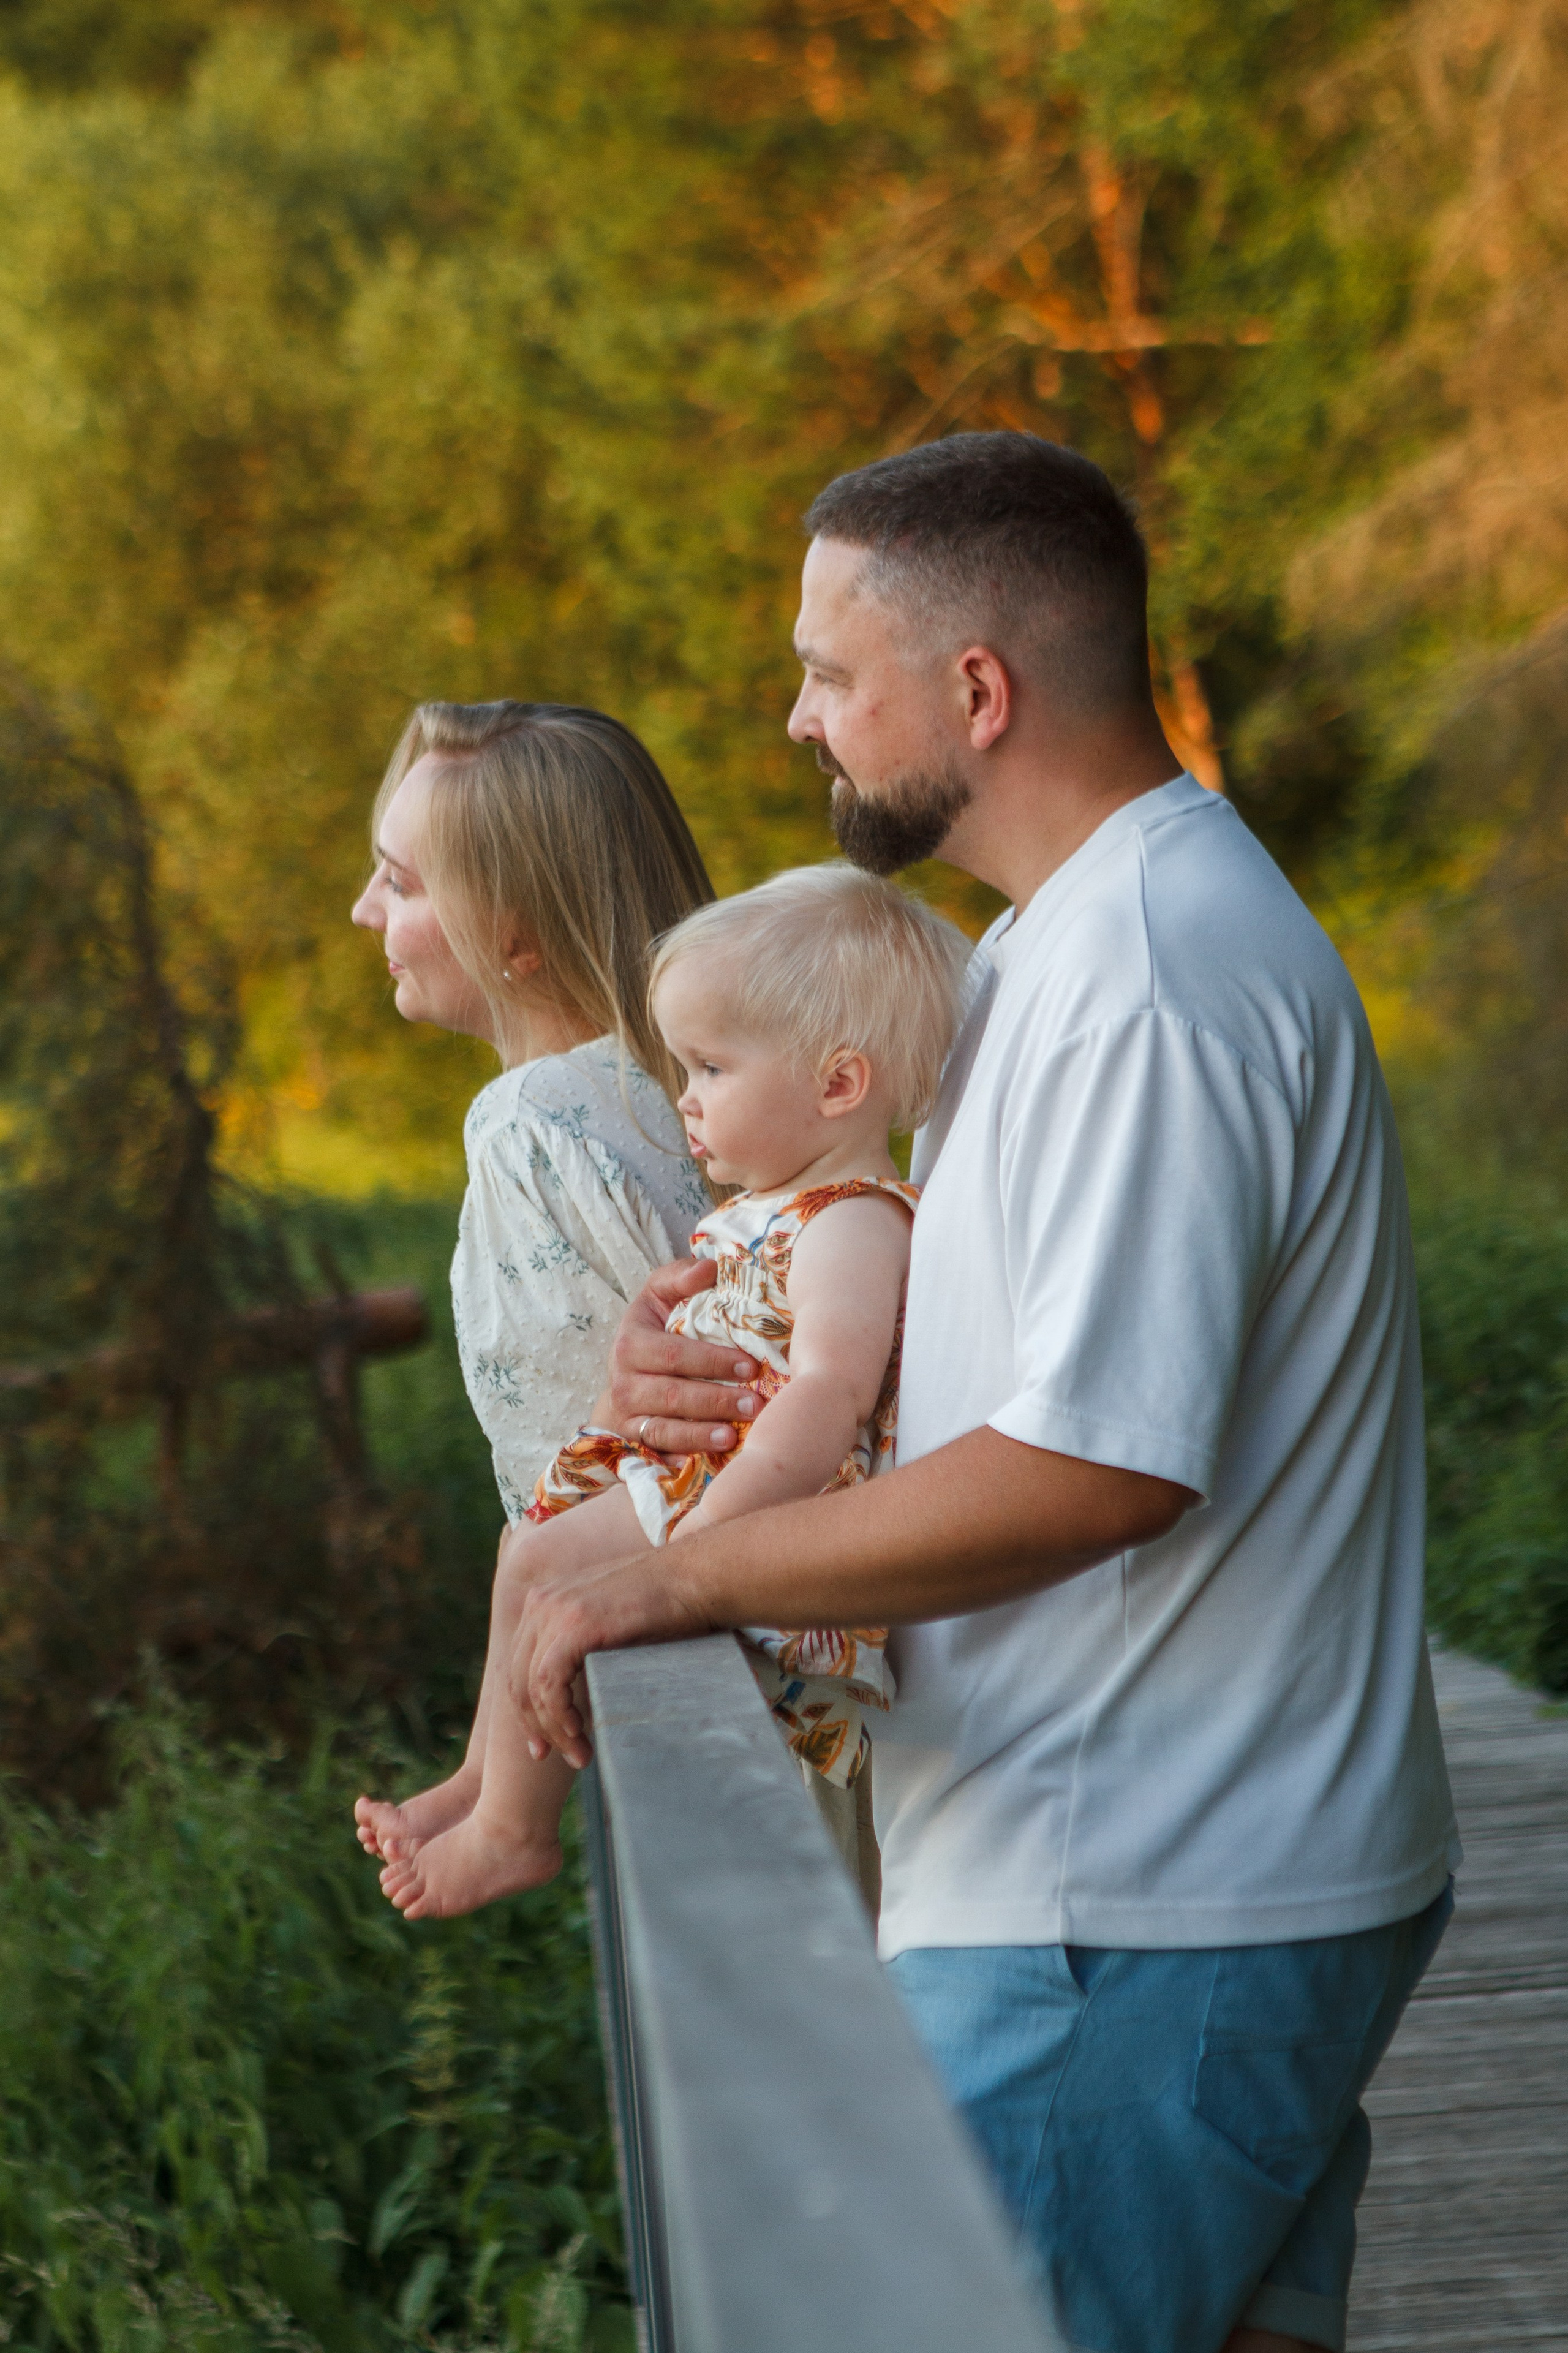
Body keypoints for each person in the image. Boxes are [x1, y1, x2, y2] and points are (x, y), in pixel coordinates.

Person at [503, 435, 1461, 2353]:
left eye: (828, 674)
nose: (796, 720)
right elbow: (982, 1353)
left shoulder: (1154, 978)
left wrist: (673, 1580)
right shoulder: (1046, 953)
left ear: (976, 692)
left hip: (1138, 1900)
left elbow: (1098, 1465)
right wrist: (711, 1369)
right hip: (1157, 1880)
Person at [374, 864, 971, 1920]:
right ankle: (483, 1780)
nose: (685, 1097)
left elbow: (828, 1398)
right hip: (705, 1486)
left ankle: (514, 1832)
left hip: (757, 1511)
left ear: (837, 1086)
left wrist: (711, 1545)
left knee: (549, 1563)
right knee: (528, 1552)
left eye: (710, 1066)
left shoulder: (850, 1221)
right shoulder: (782, 1203)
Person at [347, 697, 718, 1863]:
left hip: (670, 1664)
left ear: (514, 940)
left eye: (400, 884)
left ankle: (508, 1818)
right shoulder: (693, 1092)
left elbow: (567, 1485)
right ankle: (484, 1779)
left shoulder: (530, 1125)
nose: (366, 911)